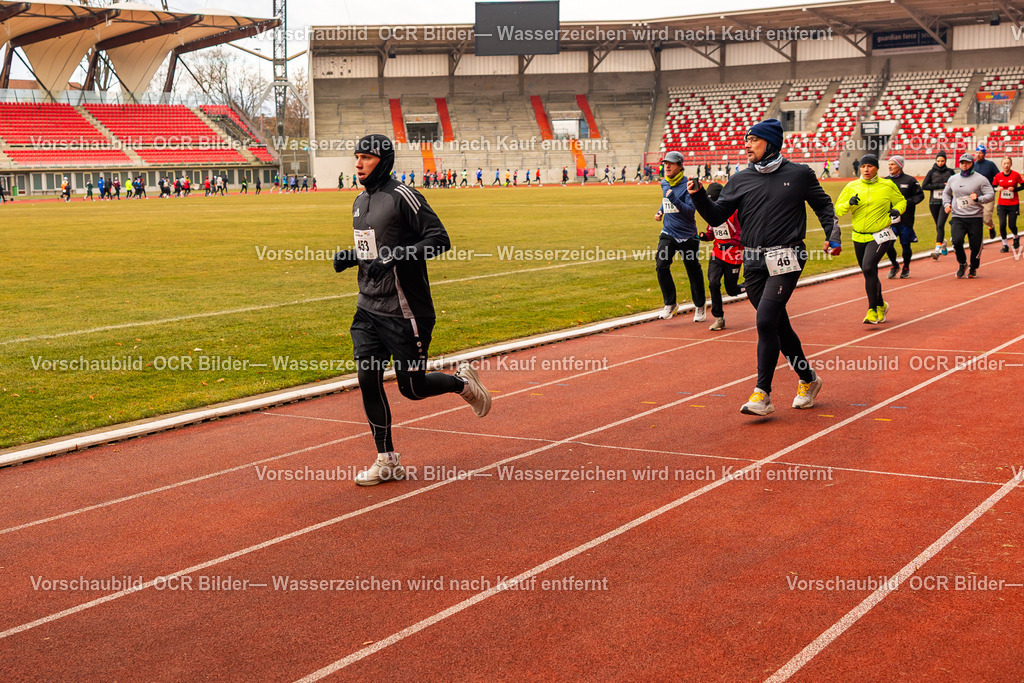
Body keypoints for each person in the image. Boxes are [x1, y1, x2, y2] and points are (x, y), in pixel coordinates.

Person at [332, 134, 491, 485]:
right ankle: (387, 460)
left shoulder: (403, 196)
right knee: (367, 379)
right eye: (356, 156)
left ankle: (462, 382)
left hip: (406, 310)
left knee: (412, 388)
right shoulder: (359, 201)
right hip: (368, 307)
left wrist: (393, 258)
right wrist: (352, 257)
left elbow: (439, 239)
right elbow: (374, 249)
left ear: (383, 161)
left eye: (366, 157)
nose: (357, 164)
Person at [689, 119, 842, 416]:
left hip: (787, 256)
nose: (747, 145)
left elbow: (824, 205)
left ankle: (763, 394)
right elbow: (718, 216)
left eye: (753, 140)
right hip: (754, 260)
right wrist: (698, 197)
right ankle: (808, 379)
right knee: (778, 325)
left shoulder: (799, 175)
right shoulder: (740, 179)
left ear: (771, 143)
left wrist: (832, 236)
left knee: (765, 320)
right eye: (746, 140)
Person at [835, 154, 907, 324]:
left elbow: (901, 201)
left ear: (876, 168)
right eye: (863, 166)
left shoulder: (887, 185)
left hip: (880, 234)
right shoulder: (852, 186)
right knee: (869, 272)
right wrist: (849, 204)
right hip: (858, 235)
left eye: (870, 166)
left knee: (868, 267)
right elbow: (838, 210)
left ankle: (872, 310)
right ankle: (881, 304)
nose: (866, 169)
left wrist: (897, 210)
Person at [654, 151, 707, 322]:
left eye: (671, 163)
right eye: (665, 163)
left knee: (693, 271)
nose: (667, 166)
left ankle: (699, 306)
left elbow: (690, 211)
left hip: (687, 236)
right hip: (668, 233)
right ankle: (670, 303)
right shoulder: (665, 183)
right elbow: (666, 199)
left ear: (680, 166)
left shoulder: (688, 185)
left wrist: (673, 198)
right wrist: (661, 211)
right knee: (661, 265)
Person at [943, 153, 995, 278]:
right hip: (957, 216)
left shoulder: (981, 179)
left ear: (972, 163)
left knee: (975, 246)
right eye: (962, 163)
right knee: (956, 241)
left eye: (967, 162)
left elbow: (991, 195)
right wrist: (946, 204)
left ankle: (973, 267)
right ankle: (962, 263)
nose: (964, 165)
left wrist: (978, 198)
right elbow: (946, 193)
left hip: (975, 217)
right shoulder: (953, 178)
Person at [700, 182, 743, 331]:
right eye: (710, 202)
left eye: (715, 201)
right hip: (717, 253)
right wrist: (703, 237)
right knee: (713, 283)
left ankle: (751, 287)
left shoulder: (734, 213)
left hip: (733, 255)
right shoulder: (711, 213)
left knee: (731, 290)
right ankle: (719, 318)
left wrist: (730, 244)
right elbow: (711, 234)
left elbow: (741, 233)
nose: (713, 205)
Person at [883, 155, 924, 279]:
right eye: (889, 164)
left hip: (906, 219)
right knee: (887, 244)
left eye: (893, 164)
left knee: (905, 245)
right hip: (889, 220)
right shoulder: (884, 181)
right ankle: (895, 265)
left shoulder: (910, 180)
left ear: (900, 166)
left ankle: (906, 267)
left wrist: (906, 203)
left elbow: (920, 196)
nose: (890, 166)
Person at [922, 151, 954, 259]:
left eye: (942, 161)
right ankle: (943, 242)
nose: (940, 163)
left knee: (940, 225)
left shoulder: (950, 172)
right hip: (934, 202)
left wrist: (949, 187)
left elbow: (956, 184)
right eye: (938, 161)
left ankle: (937, 251)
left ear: (945, 161)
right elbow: (924, 186)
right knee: (938, 226)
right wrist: (940, 185)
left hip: (946, 202)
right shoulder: (931, 172)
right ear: (936, 161)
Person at [991, 157, 1022, 252]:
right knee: (1002, 225)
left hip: (1013, 204)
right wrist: (996, 189)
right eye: (1004, 163)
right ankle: (1005, 245)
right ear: (1001, 165)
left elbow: (1023, 185)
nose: (1006, 165)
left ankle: (1016, 237)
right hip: (1002, 204)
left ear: (1011, 164)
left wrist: (1015, 189)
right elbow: (993, 186)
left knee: (1012, 225)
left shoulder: (1016, 175)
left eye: (1008, 163)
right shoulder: (998, 176)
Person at [972, 144, 1000, 238]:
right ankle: (978, 242)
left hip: (988, 194)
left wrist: (994, 187)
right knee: (975, 219)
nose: (978, 155)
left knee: (986, 218)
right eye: (977, 153)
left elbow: (999, 177)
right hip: (975, 195)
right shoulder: (972, 165)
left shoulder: (990, 164)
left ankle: (991, 226)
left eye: (980, 153)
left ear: (984, 154)